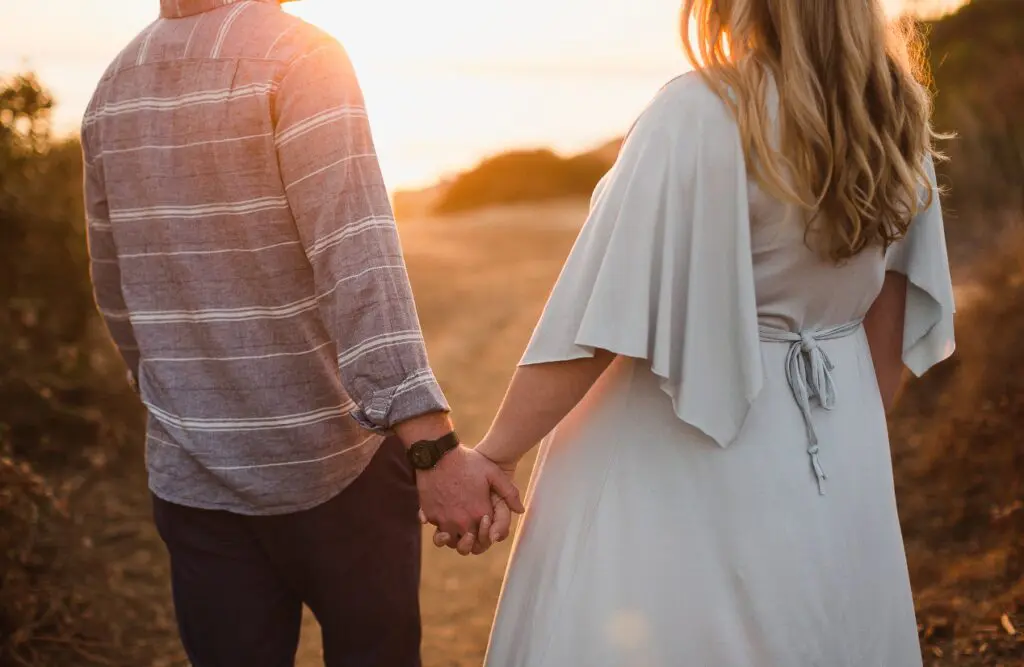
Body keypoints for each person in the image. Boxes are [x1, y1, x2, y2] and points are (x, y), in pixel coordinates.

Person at [431, 0, 956, 665]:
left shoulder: (701, 111)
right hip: (837, 448)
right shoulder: (896, 116)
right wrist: (838, 451)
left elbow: (596, 321)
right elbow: (888, 326)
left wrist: (497, 452)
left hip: (679, 468)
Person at [81, 1, 521, 665]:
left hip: (191, 474)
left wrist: (179, 397)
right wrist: (431, 449)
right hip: (334, 469)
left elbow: (114, 289)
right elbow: (356, 261)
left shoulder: (112, 88)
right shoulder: (297, 56)